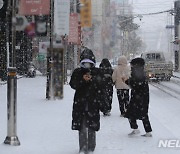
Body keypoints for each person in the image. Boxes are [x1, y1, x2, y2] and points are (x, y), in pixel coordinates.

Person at [69, 48, 108, 154]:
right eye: (84, 63)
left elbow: (103, 85)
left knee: (92, 126)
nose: (87, 65)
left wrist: (92, 80)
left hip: (93, 103)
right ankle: (82, 148)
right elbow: (73, 84)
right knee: (81, 126)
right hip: (80, 103)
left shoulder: (97, 72)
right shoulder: (77, 72)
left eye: (89, 63)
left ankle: (91, 148)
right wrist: (83, 80)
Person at [124, 57, 152, 137]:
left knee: (137, 114)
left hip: (139, 97)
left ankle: (145, 131)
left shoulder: (138, 73)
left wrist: (127, 81)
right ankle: (142, 130)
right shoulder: (139, 72)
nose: (131, 66)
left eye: (132, 65)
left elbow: (136, 85)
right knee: (135, 113)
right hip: (139, 97)